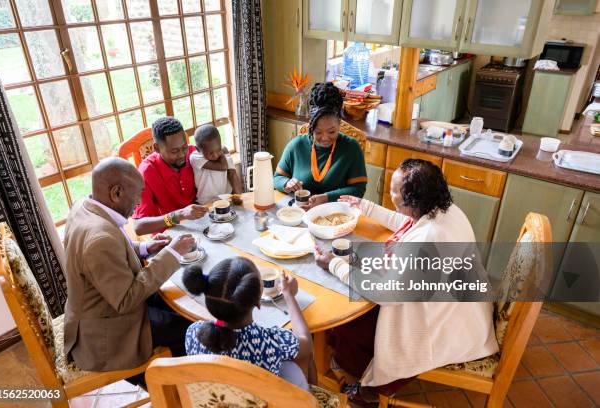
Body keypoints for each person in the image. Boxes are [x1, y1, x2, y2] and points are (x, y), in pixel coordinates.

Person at [315, 159, 498, 403]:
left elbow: (385, 294)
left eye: (395, 195)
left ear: (414, 203)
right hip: (465, 303)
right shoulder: (444, 208)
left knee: (352, 321)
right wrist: (365, 207)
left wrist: (335, 264)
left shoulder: (426, 241)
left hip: (446, 327)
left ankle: (370, 390)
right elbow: (407, 222)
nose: (390, 196)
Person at [63, 157, 196, 373]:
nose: (139, 201)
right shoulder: (100, 239)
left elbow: (111, 252)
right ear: (116, 193)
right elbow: (126, 300)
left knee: (173, 301)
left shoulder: (84, 207)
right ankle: (167, 388)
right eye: (138, 193)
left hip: (101, 307)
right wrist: (172, 253)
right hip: (107, 334)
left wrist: (145, 248)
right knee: (189, 328)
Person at [182, 257, 316, 389]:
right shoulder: (271, 342)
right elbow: (307, 343)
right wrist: (289, 295)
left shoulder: (193, 332)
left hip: (213, 400)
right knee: (304, 359)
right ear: (258, 301)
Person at [273, 82, 367, 208]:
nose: (325, 138)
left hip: (335, 216)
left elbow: (358, 190)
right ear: (311, 126)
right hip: (299, 214)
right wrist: (286, 183)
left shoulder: (351, 148)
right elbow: (277, 178)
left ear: (340, 124)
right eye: (318, 132)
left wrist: (326, 198)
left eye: (331, 131)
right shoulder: (296, 146)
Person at [133, 117, 208, 236]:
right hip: (169, 234)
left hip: (201, 225)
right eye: (174, 151)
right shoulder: (147, 172)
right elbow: (139, 227)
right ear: (157, 148)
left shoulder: (193, 154)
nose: (182, 154)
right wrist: (179, 215)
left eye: (184, 147)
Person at [190, 124, 242, 205]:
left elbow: (232, 174)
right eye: (210, 153)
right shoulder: (195, 157)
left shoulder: (223, 150)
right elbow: (223, 166)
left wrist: (238, 197)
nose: (215, 155)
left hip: (226, 198)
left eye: (218, 150)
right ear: (198, 149)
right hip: (206, 202)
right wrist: (222, 151)